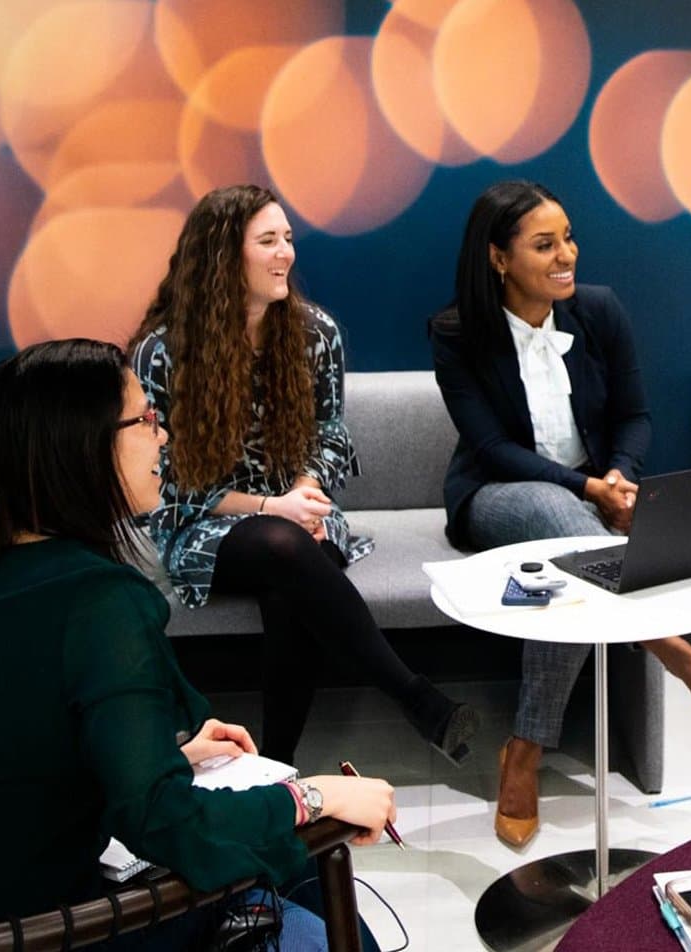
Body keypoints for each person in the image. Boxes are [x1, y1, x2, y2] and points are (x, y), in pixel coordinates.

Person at [0, 339, 397, 947]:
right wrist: (315, 795)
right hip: (57, 927)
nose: (163, 437)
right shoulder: (99, 601)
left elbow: (3, 753)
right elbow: (164, 823)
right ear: (82, 444)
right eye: (145, 419)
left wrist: (159, 753)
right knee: (303, 868)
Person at [429, 180, 691, 849]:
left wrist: (620, 478)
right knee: (558, 517)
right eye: (544, 245)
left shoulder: (599, 312)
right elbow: (491, 447)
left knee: (565, 572)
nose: (566, 254)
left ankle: (524, 750)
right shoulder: (455, 332)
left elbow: (634, 415)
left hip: (597, 503)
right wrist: (583, 488)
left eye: (568, 238)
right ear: (498, 259)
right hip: (497, 495)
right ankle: (681, 654)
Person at [132, 185, 477, 767]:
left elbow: (332, 435)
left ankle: (277, 765)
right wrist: (271, 510)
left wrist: (304, 490)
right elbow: (165, 481)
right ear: (222, 255)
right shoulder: (163, 352)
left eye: (288, 239)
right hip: (200, 525)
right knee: (284, 546)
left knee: (286, 577)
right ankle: (415, 698)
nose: (285, 253)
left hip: (296, 517)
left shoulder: (314, 332)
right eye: (267, 241)